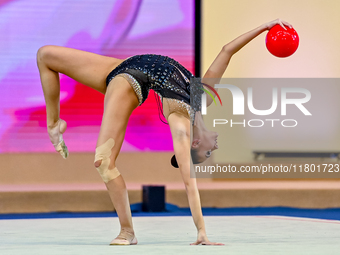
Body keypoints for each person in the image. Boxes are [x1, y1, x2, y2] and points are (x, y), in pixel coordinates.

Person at [37, 19, 292, 245]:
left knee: (104, 162)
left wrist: (201, 231)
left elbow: (189, 185)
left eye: (207, 152)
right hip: (124, 66)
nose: (214, 146)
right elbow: (227, 50)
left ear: (195, 145)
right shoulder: (202, 97)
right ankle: (54, 124)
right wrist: (264, 27)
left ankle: (127, 231)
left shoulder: (181, 125)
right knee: (45, 55)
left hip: (129, 82)